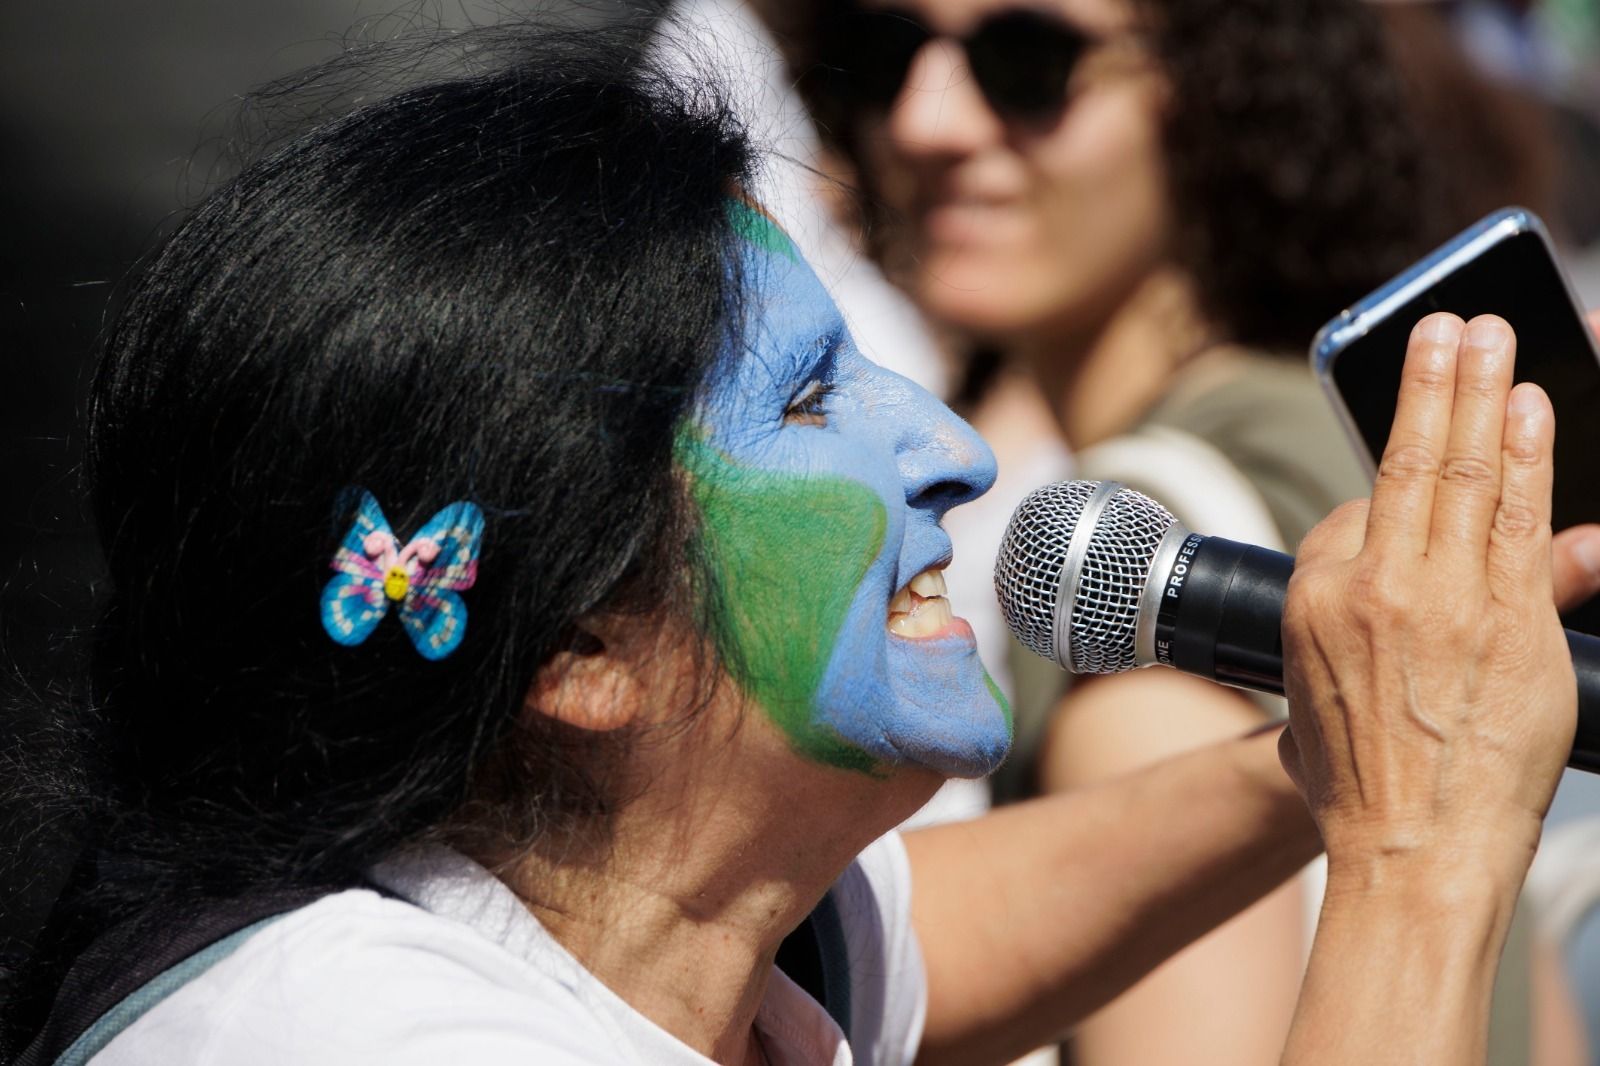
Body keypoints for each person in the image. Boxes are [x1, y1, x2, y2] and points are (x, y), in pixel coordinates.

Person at [1, 24, 1597, 1066]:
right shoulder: (366, 1042)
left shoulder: (667, 925)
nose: (957, 454)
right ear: (579, 651)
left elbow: (947, 933)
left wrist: (1347, 735)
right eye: (819, 400)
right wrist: (1414, 845)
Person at [778, 0, 1538, 1059]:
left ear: (1225, 92)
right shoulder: (1349, 443)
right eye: (885, 52)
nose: (925, 120)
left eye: (1027, 63)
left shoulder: (1134, 550)